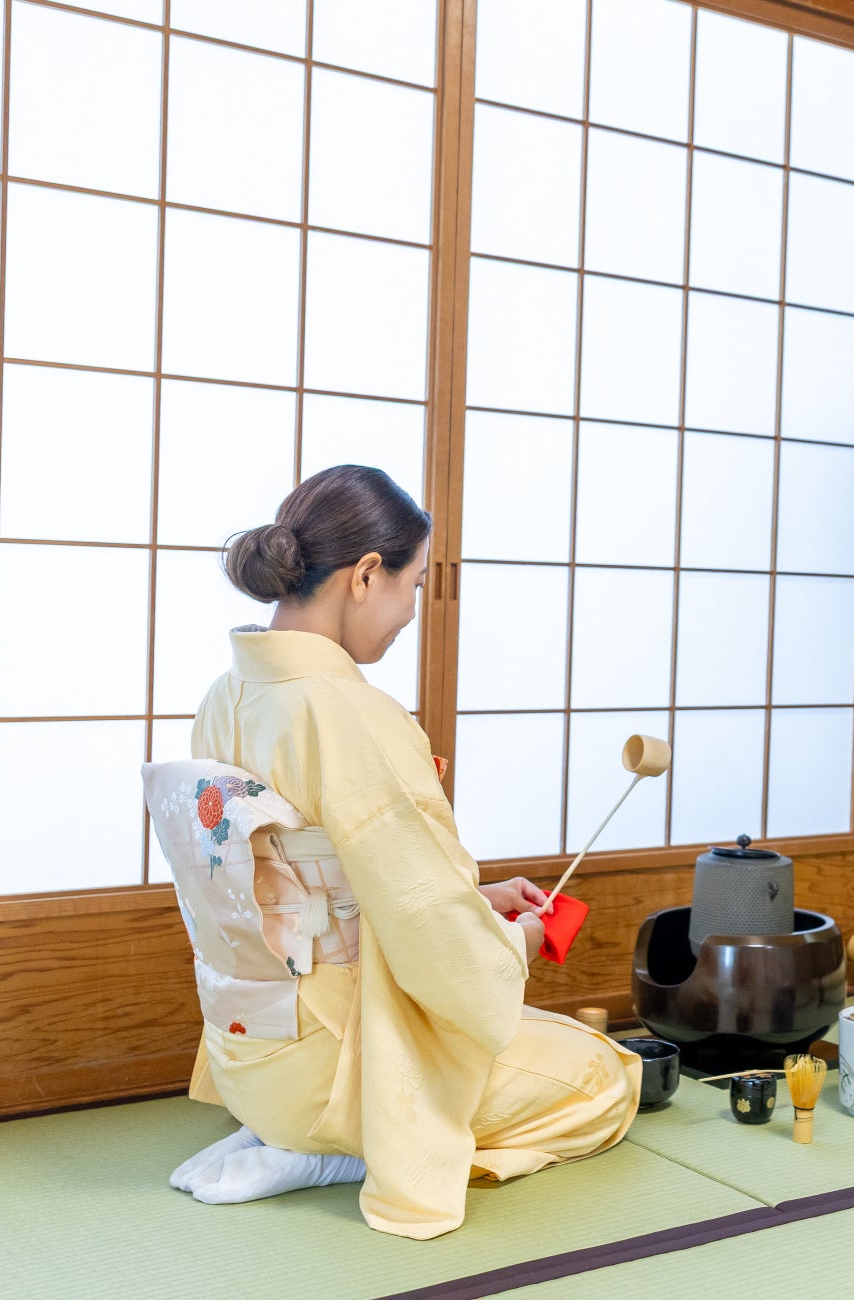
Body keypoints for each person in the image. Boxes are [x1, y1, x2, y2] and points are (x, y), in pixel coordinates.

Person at [167, 465, 639, 1239]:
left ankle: (289, 1135)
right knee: (603, 1076)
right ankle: (351, 1155)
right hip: (339, 1066)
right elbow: (430, 928)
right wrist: (512, 939)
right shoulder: (346, 710)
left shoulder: (227, 697)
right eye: (414, 585)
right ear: (364, 576)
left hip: (249, 1058)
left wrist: (476, 903)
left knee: (555, 1046)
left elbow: (307, 884)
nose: (412, 611)